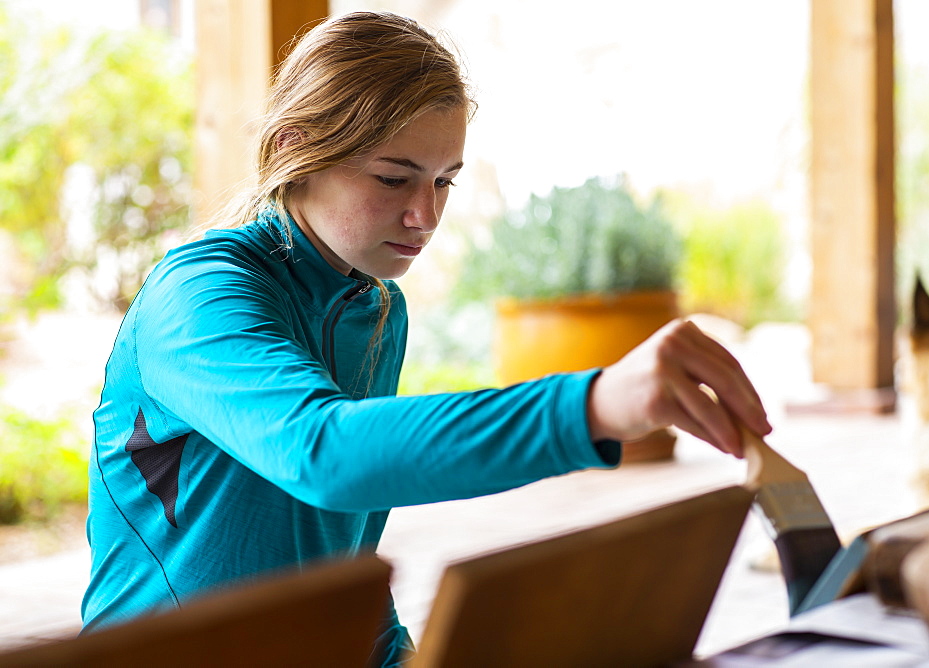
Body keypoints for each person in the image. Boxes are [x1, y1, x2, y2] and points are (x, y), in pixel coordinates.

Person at [82, 11, 772, 666]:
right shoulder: (197, 294)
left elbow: (343, 555)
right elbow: (323, 454)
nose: (425, 214)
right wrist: (593, 405)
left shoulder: (378, 310)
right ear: (297, 149)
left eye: (444, 180)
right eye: (393, 178)